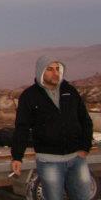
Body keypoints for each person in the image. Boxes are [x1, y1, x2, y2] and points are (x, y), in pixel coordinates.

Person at [10, 57, 93, 200]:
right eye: (50, 69)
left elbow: (85, 120)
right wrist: (17, 156)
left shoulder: (70, 91)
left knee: (83, 197)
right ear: (40, 72)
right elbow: (22, 128)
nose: (55, 73)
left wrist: (85, 147)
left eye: (57, 69)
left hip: (76, 159)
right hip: (49, 162)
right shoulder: (29, 96)